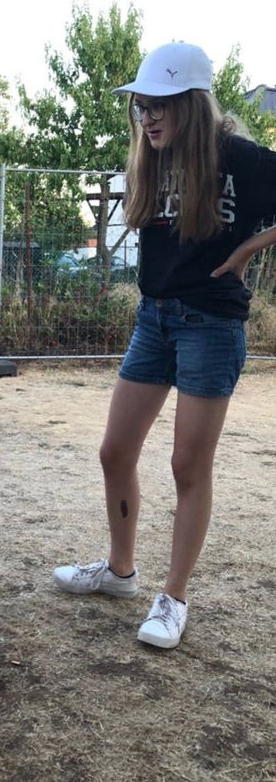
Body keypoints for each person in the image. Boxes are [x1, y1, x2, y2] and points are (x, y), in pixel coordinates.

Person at [53, 41, 276, 649]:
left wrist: (252, 248)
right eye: (141, 106)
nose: (147, 117)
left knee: (187, 467)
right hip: (153, 320)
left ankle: (173, 598)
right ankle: (120, 573)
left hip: (212, 325)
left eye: (160, 105)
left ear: (194, 104)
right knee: (113, 451)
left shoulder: (246, 160)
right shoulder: (150, 161)